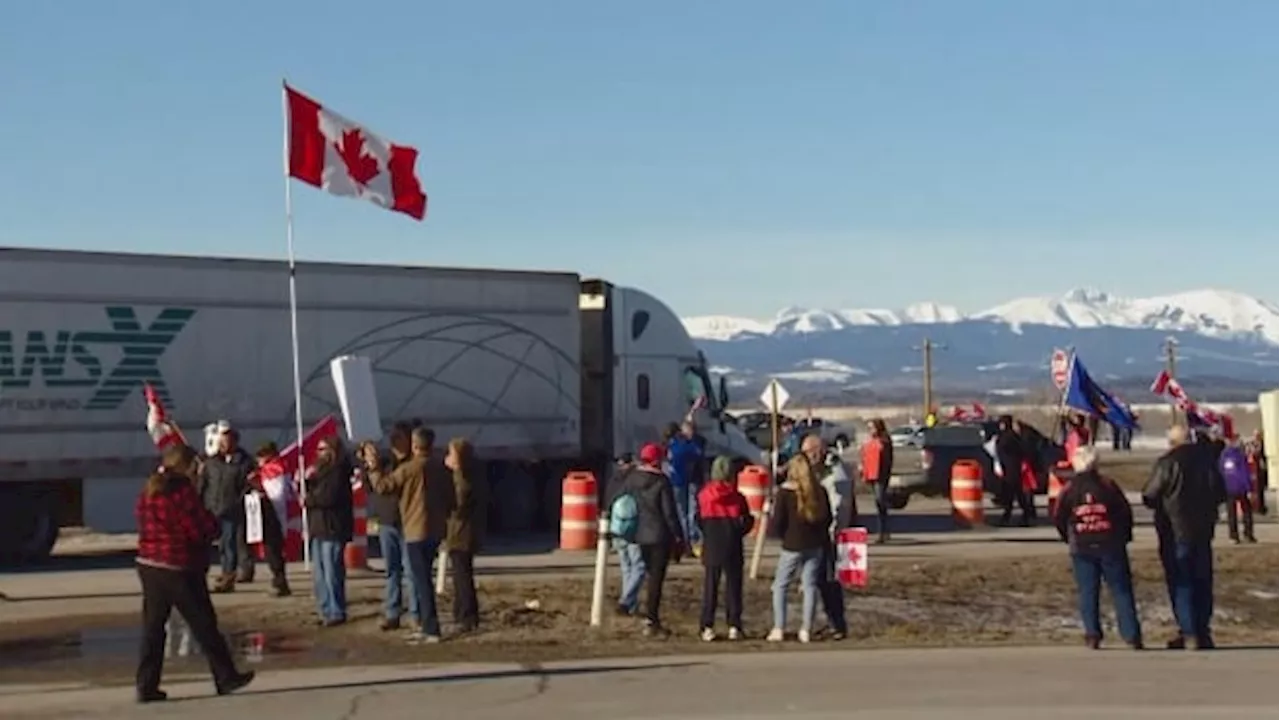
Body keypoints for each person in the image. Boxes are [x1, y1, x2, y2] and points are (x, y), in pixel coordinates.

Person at [135, 444, 254, 703]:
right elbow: (199, 528)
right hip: (179, 566)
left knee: (153, 628)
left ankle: (146, 684)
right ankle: (226, 676)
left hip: (149, 564)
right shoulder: (181, 492)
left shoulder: (149, 490)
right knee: (204, 624)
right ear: (187, 466)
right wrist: (212, 526)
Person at [1142, 424, 1225, 650]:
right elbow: (1221, 492)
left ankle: (1189, 631)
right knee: (1202, 580)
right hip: (1203, 530)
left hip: (1175, 530)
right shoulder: (1207, 462)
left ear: (1172, 442)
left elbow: (1150, 494)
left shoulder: (1167, 463)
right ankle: (1202, 629)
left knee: (1182, 581)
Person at [366, 426, 453, 643]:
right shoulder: (440, 468)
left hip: (415, 531)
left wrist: (373, 468)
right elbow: (452, 499)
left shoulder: (410, 468)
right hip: (435, 530)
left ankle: (430, 627)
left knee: (421, 580)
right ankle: (425, 622)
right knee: (423, 579)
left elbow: (384, 487)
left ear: (415, 445)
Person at [1053, 445, 1142, 650]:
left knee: (1088, 592)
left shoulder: (1069, 489)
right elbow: (1124, 512)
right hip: (1110, 543)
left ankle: (1092, 634)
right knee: (1121, 590)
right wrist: (1123, 536)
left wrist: (1069, 537)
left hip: (1082, 546)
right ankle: (1131, 635)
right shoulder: (1108, 485)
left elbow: (1058, 516)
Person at [607, 442, 684, 637]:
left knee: (641, 571)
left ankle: (635, 606)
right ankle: (652, 619)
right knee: (656, 580)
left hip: (639, 534)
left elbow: (619, 498)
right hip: (659, 536)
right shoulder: (661, 482)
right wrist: (679, 537)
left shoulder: (632, 479)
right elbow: (669, 514)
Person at [768, 435, 834, 644]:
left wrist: (779, 535)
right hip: (814, 545)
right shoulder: (819, 491)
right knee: (810, 585)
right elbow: (827, 518)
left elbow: (777, 524)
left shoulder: (785, 494)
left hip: (792, 545)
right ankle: (806, 628)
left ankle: (779, 626)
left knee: (780, 585)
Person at [365, 422, 421, 632]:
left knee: (411, 571)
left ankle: (416, 613)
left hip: (407, 522)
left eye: (398, 437)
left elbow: (388, 486)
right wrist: (371, 464)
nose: (394, 441)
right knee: (392, 570)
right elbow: (373, 487)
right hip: (388, 521)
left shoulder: (412, 464)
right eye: (392, 437)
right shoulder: (386, 461)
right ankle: (392, 612)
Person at [696, 456, 754, 641]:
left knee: (710, 587)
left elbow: (698, 520)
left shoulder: (704, 495)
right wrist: (740, 529)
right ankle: (734, 625)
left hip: (712, 544)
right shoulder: (738, 497)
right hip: (733, 544)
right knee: (733, 587)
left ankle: (707, 625)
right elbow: (747, 522)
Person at [198, 423, 256, 593]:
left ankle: (228, 575)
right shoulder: (211, 463)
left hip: (232, 509)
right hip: (212, 508)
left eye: (228, 442)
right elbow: (203, 484)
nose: (224, 445)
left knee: (229, 544)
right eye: (222, 442)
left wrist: (237, 502)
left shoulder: (244, 462)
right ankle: (218, 572)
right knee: (214, 545)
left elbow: (247, 486)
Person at [304, 435, 354, 627]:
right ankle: (325, 608)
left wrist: (310, 499)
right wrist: (308, 482)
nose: (319, 453)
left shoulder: (338, 471)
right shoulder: (318, 471)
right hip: (318, 526)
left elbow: (329, 497)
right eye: (318, 450)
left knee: (332, 571)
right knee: (320, 573)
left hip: (333, 526)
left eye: (323, 449)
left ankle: (336, 610)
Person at [444, 437, 488, 633]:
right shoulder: (474, 475)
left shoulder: (462, 479)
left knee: (462, 576)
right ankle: (461, 611)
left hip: (461, 533)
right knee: (460, 574)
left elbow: (458, 504)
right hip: (463, 532)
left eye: (451, 454)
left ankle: (467, 615)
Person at [249, 442, 292, 597]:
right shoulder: (272, 469)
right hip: (271, 514)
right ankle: (279, 580)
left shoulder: (274, 470)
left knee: (273, 550)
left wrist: (259, 489)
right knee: (272, 550)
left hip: (273, 514)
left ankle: (280, 581)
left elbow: (277, 494)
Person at [606, 453, 646, 616]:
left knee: (626, 568)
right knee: (639, 567)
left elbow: (606, 503)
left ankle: (631, 604)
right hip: (633, 529)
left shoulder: (613, 481)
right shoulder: (635, 481)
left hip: (617, 529)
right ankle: (626, 601)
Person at [667, 420, 706, 552]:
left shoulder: (682, 444)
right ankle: (688, 539)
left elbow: (698, 452)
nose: (690, 432)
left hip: (690, 481)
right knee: (684, 512)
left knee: (691, 512)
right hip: (681, 481)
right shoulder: (679, 444)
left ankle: (691, 538)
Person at [995, 415, 1035, 526]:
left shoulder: (1009, 437)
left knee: (1012, 493)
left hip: (1011, 468)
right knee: (1016, 493)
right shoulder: (1011, 436)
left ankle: (1008, 517)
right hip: (1010, 468)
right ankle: (1024, 514)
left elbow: (1009, 450)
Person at [860, 419, 894, 544]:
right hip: (872, 475)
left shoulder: (884, 441)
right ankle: (884, 531)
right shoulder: (871, 441)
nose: (870, 430)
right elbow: (864, 455)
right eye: (869, 428)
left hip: (881, 476)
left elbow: (887, 459)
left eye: (872, 428)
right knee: (878, 503)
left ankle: (882, 532)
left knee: (880, 503)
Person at [1218, 433, 1256, 544]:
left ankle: (1233, 536)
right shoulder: (1240, 455)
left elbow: (1221, 471)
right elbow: (1244, 473)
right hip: (1241, 487)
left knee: (1231, 513)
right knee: (1247, 511)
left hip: (1229, 487)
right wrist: (1249, 488)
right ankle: (1248, 534)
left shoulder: (1223, 456)